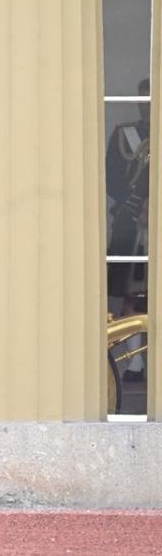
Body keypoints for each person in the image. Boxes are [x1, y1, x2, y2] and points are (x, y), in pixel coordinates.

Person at [106, 78, 150, 382]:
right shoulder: (126, 135)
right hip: (131, 223)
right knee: (131, 293)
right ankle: (135, 364)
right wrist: (136, 205)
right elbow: (111, 174)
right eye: (142, 98)